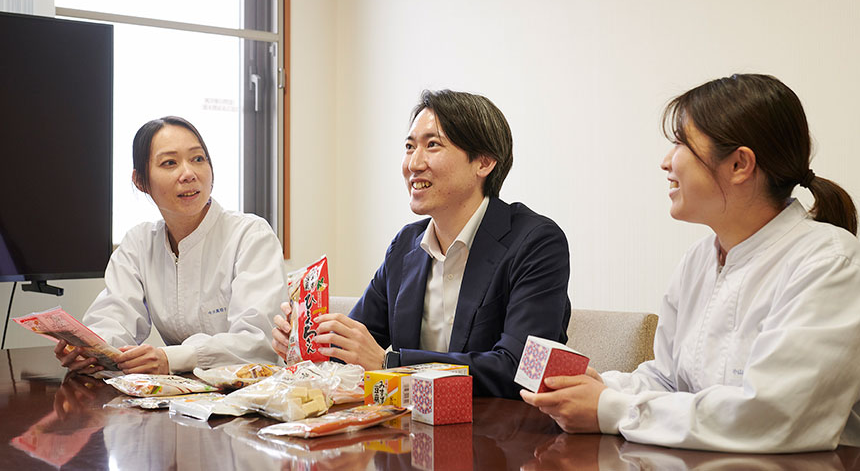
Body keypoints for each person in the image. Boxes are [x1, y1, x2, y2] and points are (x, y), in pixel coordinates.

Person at [521, 74, 860, 453]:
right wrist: (602, 387)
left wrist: (611, 408)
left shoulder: (829, 262)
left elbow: (774, 416)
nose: (666, 162)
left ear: (739, 164)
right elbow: (669, 381)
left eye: (681, 143)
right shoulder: (699, 260)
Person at [272, 89, 571, 398]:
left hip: (500, 425)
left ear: (483, 162)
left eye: (432, 145)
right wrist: (307, 344)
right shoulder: (405, 246)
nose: (414, 164)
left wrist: (391, 364)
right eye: (409, 147)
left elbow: (519, 370)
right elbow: (354, 349)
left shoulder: (536, 243)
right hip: (411, 423)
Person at [54, 116, 285, 375]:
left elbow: (258, 341)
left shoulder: (250, 235)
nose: (189, 174)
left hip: (250, 390)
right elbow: (114, 316)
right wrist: (92, 350)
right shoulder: (139, 243)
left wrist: (171, 358)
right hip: (182, 392)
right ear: (140, 181)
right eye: (170, 163)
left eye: (198, 159)